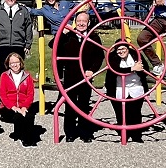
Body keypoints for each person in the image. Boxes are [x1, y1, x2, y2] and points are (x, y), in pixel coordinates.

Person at [50, 12, 103, 142]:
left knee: (84, 105)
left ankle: (85, 132)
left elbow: (99, 56)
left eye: (84, 21)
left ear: (88, 23)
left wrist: (92, 70)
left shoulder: (94, 37)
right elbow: (52, 45)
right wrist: (63, 33)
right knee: (70, 105)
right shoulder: (68, 36)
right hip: (71, 76)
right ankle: (70, 133)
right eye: (78, 21)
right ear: (75, 22)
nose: (81, 23)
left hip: (86, 77)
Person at [105, 42, 149, 143]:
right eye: (118, 49)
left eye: (123, 49)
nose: (121, 51)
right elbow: (115, 69)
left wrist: (139, 69)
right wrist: (132, 68)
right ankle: (124, 133)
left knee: (136, 112)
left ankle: (136, 135)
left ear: (128, 49)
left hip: (136, 87)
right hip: (118, 88)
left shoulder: (136, 54)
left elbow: (145, 68)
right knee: (120, 113)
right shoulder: (112, 57)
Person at [0, 0, 34, 75]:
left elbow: (28, 27)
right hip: (3, 44)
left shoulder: (23, 10)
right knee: (3, 67)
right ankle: (4, 87)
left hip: (19, 44)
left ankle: (18, 87)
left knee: (18, 68)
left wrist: (28, 44)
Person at [0, 52, 36, 147]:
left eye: (16, 62)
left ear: (21, 62)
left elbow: (30, 94)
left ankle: (29, 137)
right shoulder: (4, 76)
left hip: (23, 105)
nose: (14, 65)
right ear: (8, 64)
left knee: (30, 115)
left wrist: (24, 107)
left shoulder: (27, 76)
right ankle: (24, 138)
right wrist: (14, 107)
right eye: (12, 63)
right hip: (9, 107)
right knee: (18, 116)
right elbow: (3, 95)